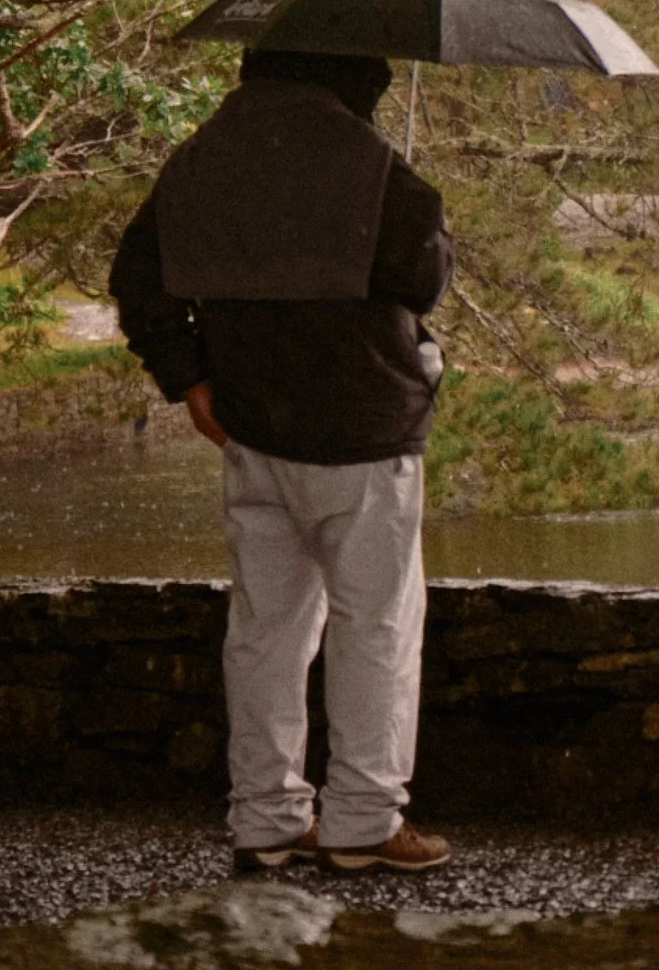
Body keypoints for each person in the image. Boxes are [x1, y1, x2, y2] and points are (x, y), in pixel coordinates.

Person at [109, 46, 453, 876]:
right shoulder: (373, 168)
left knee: (265, 632)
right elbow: (423, 277)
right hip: (362, 432)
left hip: (253, 428)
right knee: (375, 628)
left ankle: (266, 817)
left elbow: (137, 275)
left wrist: (188, 376)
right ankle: (366, 820)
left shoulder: (203, 158)